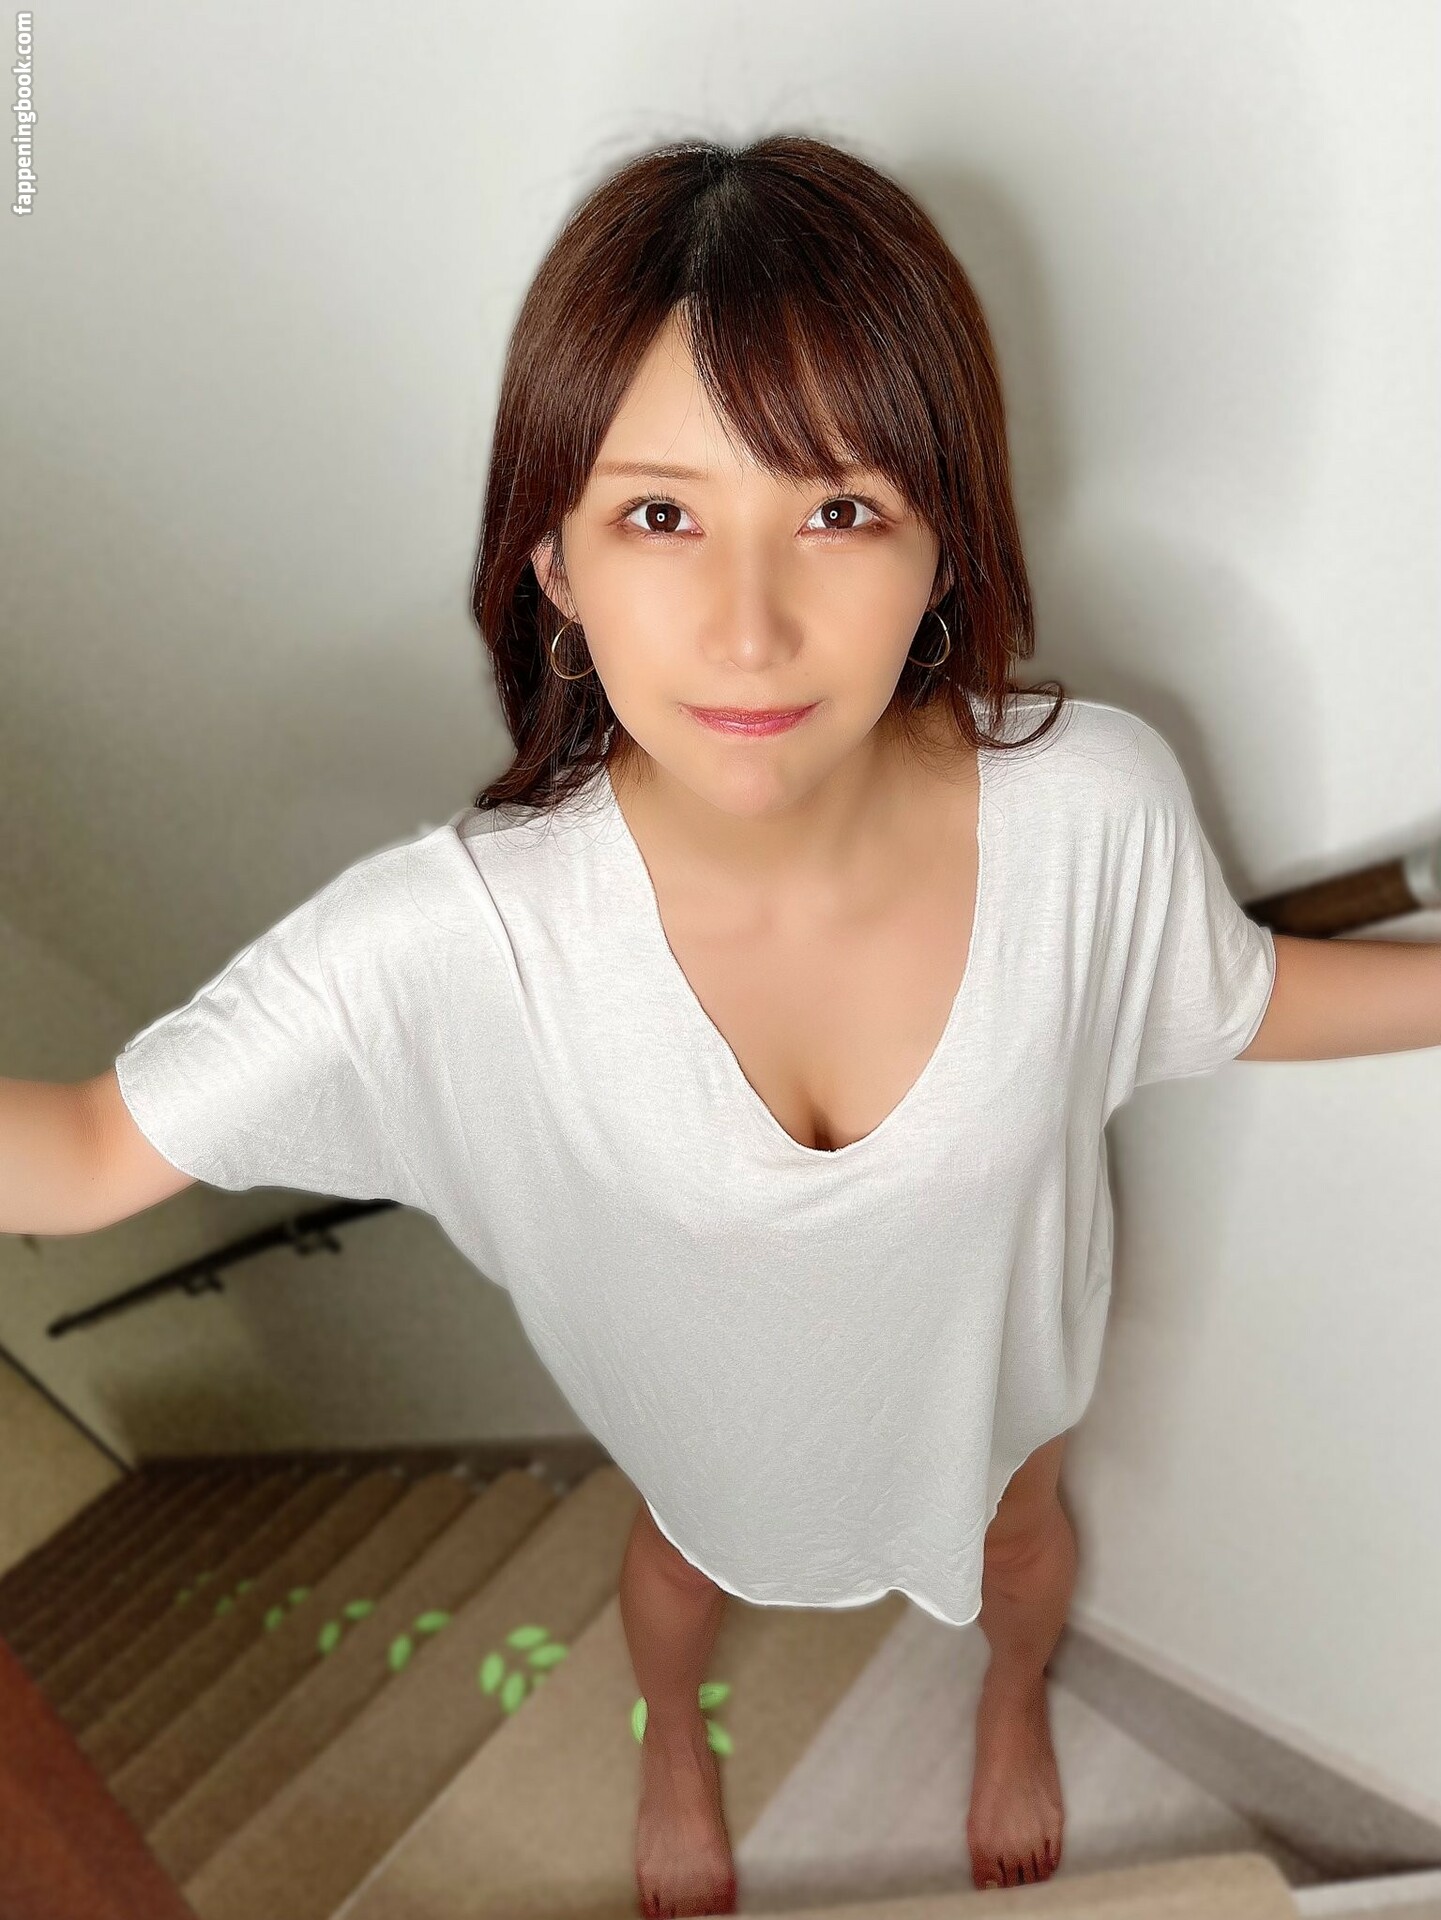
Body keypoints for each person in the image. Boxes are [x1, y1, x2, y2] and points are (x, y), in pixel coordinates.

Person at [6, 134, 1430, 1919]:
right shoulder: (452, 945)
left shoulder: (1089, 803)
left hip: (1004, 1381)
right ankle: (670, 1740)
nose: (749, 633)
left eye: (837, 512)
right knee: (683, 1567)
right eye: (660, 516)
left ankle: (1009, 1703)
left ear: (942, 544)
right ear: (552, 559)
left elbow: (1233, 992)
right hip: (704, 1435)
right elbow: (79, 1155)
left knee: (1018, 1544)